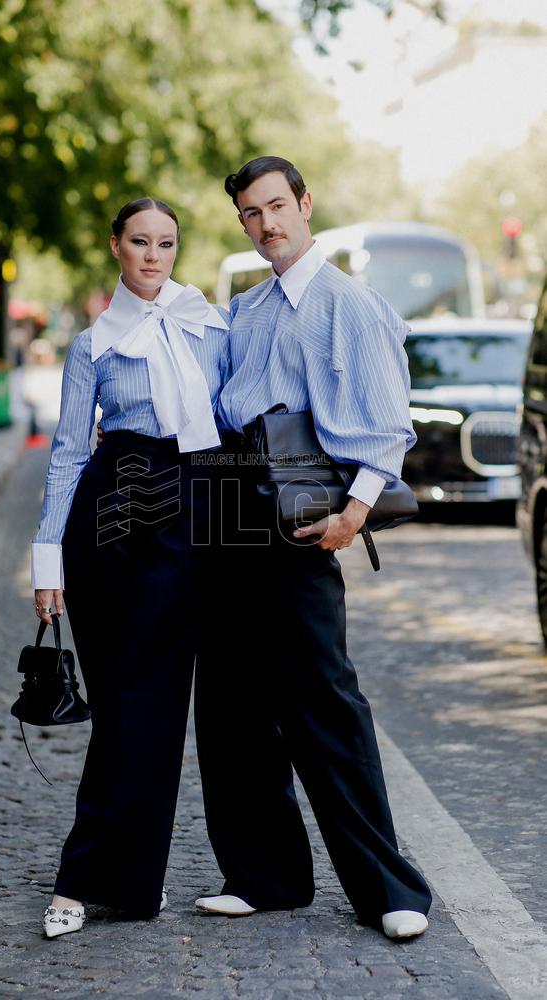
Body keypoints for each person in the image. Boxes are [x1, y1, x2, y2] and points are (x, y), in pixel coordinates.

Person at [193, 157, 433, 940]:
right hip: (232, 507)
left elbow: (388, 426)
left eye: (276, 206)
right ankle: (265, 878)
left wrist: (352, 516)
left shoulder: (349, 306)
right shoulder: (244, 309)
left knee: (324, 701)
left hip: (304, 513)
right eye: (251, 213)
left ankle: (389, 889)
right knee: (231, 704)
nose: (266, 223)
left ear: (304, 204)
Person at [31, 197, 229, 939]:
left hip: (186, 511)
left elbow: (236, 417)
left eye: (166, 243)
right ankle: (129, 886)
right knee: (120, 702)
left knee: (153, 699)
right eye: (140, 242)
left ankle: (84, 880)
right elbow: (68, 453)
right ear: (115, 245)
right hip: (107, 516)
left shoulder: (210, 326)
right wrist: (47, 560)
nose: (153, 256)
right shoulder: (92, 345)